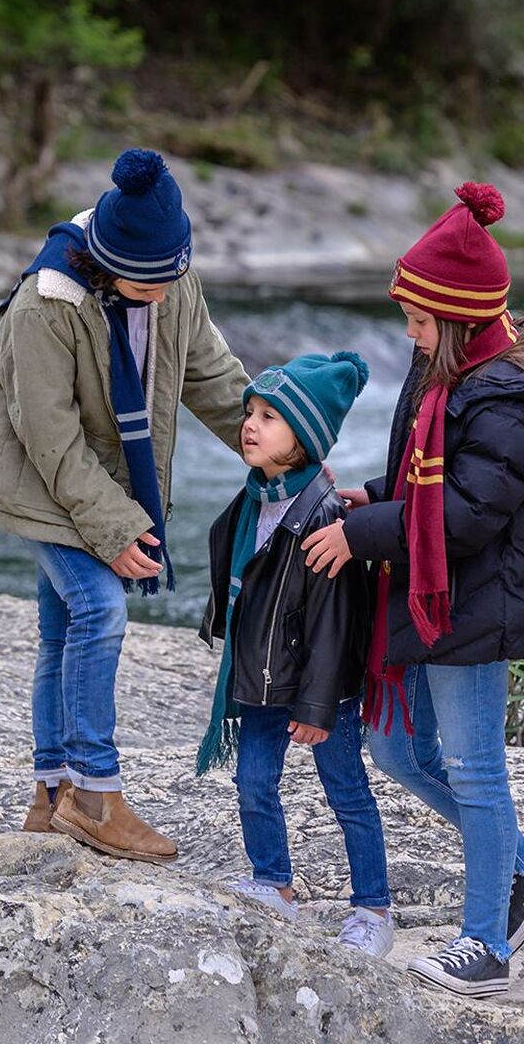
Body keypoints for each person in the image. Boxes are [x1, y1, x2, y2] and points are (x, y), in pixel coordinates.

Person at [302, 182, 524, 998]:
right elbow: (426, 482)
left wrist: (362, 534)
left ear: (460, 321)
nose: (409, 332)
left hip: (479, 601)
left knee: (475, 769)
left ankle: (487, 945)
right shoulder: (447, 372)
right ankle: (523, 861)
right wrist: (373, 496)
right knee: (397, 749)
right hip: (437, 589)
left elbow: (463, 516)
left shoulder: (506, 402)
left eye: (419, 320)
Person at [0, 148, 249, 862]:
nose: (163, 296)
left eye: (171, 279)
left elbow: (210, 373)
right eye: (147, 284)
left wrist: (281, 444)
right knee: (99, 610)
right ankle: (95, 796)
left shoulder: (169, 278)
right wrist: (118, 527)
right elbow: (50, 438)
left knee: (61, 631)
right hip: (36, 475)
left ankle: (50, 795)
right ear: (106, 262)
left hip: (95, 472)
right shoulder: (47, 305)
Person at [196, 351, 394, 955]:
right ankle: (273, 882)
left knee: (347, 791)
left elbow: (336, 625)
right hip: (261, 679)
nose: (249, 426)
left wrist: (317, 706)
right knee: (253, 782)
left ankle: (373, 908)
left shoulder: (323, 516)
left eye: (269, 417)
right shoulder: (254, 499)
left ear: (303, 439)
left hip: (322, 688)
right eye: (249, 413)